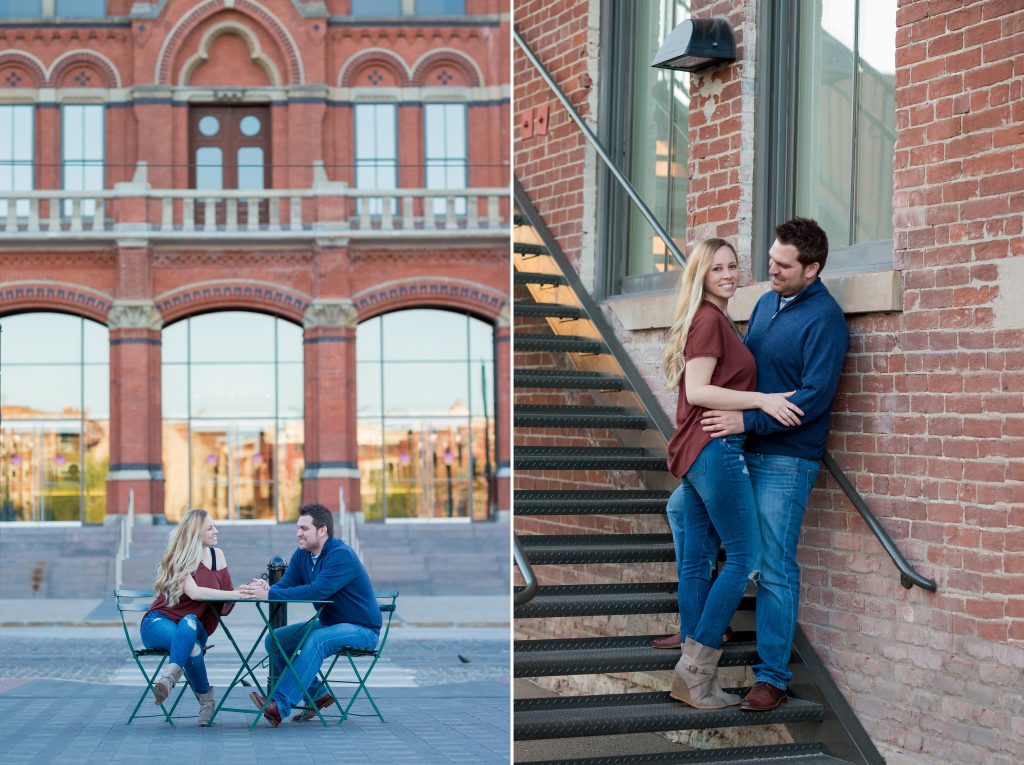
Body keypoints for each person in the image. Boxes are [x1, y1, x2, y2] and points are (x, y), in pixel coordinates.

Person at [701, 217, 848, 712]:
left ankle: (772, 677)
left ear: (813, 268)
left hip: (786, 461)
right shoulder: (765, 304)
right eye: (770, 260)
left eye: (783, 265)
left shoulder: (825, 319)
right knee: (700, 525)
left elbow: (813, 398)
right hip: (745, 453)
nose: (771, 270)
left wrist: (746, 423)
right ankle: (696, 636)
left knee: (774, 567)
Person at [661, 238, 803, 709]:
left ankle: (693, 673)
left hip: (703, 450)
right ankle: (696, 671)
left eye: (733, 265)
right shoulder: (708, 320)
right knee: (744, 556)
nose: (727, 274)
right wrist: (763, 400)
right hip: (715, 450)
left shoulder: (719, 319)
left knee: (699, 556)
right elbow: (699, 389)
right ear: (701, 274)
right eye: (716, 267)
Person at [242, 503, 382, 727]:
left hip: (362, 630)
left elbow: (318, 590)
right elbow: (285, 586)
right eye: (298, 528)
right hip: (330, 625)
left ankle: (279, 705)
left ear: (322, 530)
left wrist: (270, 592)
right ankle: (317, 695)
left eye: (304, 528)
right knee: (275, 640)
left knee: (318, 640)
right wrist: (267, 586)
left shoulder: (341, 555)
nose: (298, 533)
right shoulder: (302, 555)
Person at [141, 508, 248, 726]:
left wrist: (245, 591)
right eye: (210, 528)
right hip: (159, 622)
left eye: (215, 526)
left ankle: (168, 678)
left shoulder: (218, 556)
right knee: (193, 646)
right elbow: (195, 593)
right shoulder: (179, 556)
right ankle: (206, 701)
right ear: (196, 532)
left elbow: (226, 599)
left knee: (189, 622)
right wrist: (235, 593)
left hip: (193, 625)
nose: (216, 531)